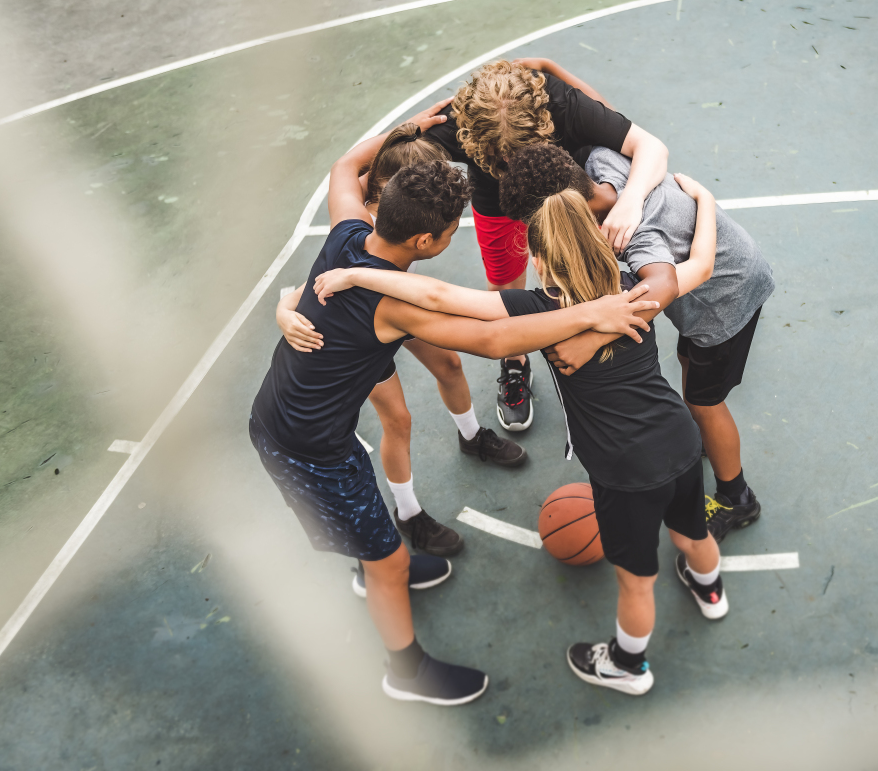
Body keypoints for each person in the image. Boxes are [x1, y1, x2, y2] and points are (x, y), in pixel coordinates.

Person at [249, 149, 657, 704]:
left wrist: (414, 128)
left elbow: (344, 168)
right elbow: (492, 339)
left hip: (300, 417)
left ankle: (375, 562)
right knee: (387, 563)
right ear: (425, 242)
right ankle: (406, 671)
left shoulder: (348, 233)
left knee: (375, 535)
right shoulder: (389, 304)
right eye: (448, 232)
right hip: (306, 446)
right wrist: (591, 314)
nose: (449, 239)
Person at [311, 171, 725, 697]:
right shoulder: (634, 292)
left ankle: (627, 665)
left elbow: (439, 296)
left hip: (626, 472)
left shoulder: (539, 309)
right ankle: (710, 589)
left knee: (637, 581)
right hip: (683, 443)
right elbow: (703, 263)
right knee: (693, 534)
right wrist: (705, 200)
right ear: (597, 236)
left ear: (539, 259)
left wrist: (359, 276)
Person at [498, 143, 776, 543]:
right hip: (711, 288)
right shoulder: (601, 162)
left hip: (724, 302)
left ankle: (737, 498)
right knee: (687, 360)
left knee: (705, 402)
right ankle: (700, 443)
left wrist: (592, 339)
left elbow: (661, 288)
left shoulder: (635, 236)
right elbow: (645, 143)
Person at [276, 119, 526, 559]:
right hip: (360, 340)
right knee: (399, 419)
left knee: (448, 363)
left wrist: (412, 125)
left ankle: (471, 437)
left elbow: (344, 165)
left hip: (384, 305)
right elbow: (479, 329)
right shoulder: (379, 247)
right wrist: (284, 310)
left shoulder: (359, 226)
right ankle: (408, 514)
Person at [423, 58, 670, 432]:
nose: (511, 162)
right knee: (506, 283)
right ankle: (516, 361)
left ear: (543, 123)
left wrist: (631, 199)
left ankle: (602, 330)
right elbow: (376, 164)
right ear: (475, 138)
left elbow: (649, 146)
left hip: (567, 194)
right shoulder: (458, 123)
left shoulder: (561, 103)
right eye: (501, 158)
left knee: (589, 267)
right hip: (500, 210)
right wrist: (408, 129)